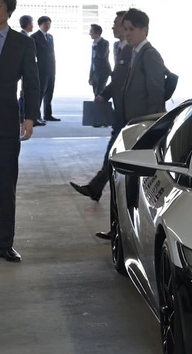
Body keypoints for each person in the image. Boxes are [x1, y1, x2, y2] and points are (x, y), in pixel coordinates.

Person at [0, 0, 41, 262]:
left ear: (8, 9)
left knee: (6, 189)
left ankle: (5, 245)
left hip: (5, 124)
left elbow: (32, 82)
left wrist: (29, 117)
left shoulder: (23, 43)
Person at [70, 11, 131, 208]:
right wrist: (104, 95)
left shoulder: (137, 51)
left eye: (116, 23)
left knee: (115, 158)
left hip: (130, 115)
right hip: (120, 113)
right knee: (112, 156)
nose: (113, 27)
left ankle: (97, 189)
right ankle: (96, 189)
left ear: (127, 27)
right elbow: (117, 79)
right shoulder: (118, 47)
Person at [31, 15, 58, 122]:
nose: (48, 25)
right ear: (40, 24)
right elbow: (33, 54)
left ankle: (48, 114)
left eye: (49, 23)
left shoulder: (50, 37)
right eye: (45, 23)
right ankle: (37, 116)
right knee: (40, 93)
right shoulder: (34, 37)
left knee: (49, 93)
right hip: (41, 69)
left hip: (51, 69)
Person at [17, 13, 35, 124]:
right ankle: (21, 116)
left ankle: (22, 115)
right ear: (27, 24)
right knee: (24, 93)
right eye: (32, 23)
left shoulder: (25, 36)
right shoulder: (22, 37)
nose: (33, 25)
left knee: (24, 93)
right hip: (22, 69)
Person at [88, 23, 110, 97]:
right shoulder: (94, 44)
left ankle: (101, 108)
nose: (89, 33)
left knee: (100, 93)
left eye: (91, 31)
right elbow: (93, 61)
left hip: (103, 72)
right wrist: (90, 76)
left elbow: (101, 55)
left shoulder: (105, 43)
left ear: (97, 33)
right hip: (95, 73)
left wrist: (96, 46)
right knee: (95, 93)